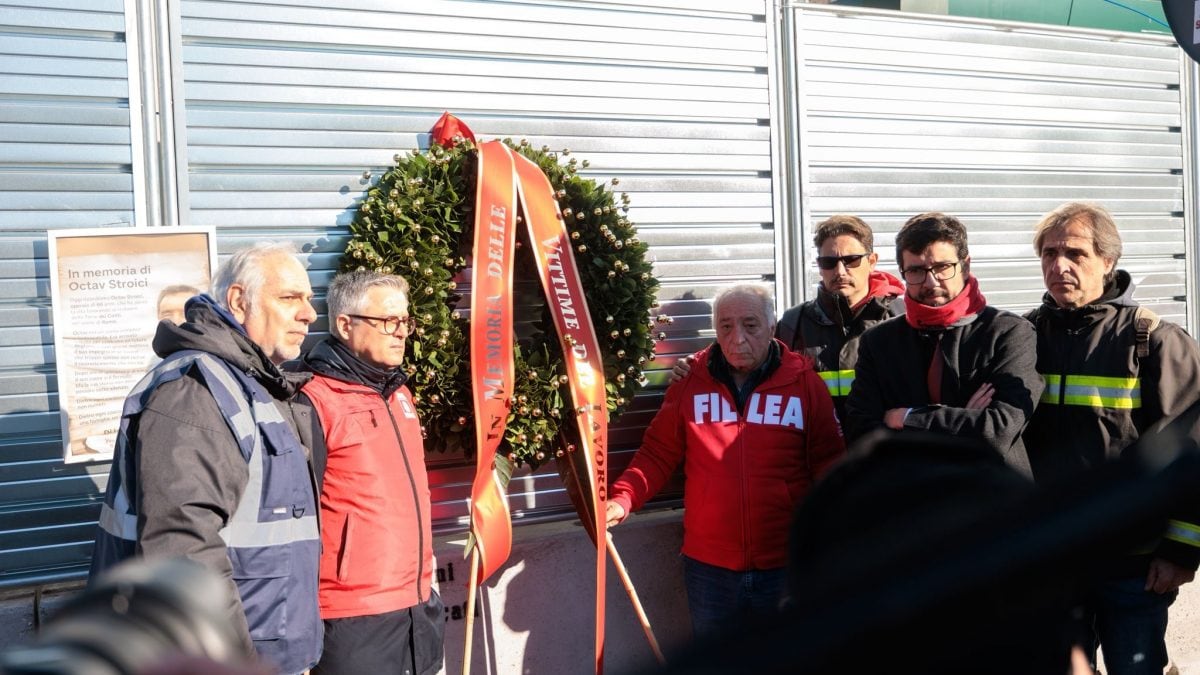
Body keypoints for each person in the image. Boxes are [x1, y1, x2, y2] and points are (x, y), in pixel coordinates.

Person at [91, 242, 323, 675]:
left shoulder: (255, 386)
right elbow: (182, 553)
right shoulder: (195, 391)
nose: (309, 313)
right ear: (239, 301)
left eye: (309, 299)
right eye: (290, 297)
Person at [605, 284, 845, 639]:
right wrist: (622, 499)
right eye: (726, 326)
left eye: (750, 325)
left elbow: (829, 463)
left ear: (772, 326)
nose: (737, 339)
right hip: (709, 569)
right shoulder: (690, 382)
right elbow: (657, 453)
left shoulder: (804, 384)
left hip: (785, 565)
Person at [1023, 202, 1200, 675]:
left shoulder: (1154, 340)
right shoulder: (1024, 337)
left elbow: (1192, 453)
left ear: (1107, 261)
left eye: (1075, 253)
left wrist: (1181, 551)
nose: (1059, 265)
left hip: (1134, 566)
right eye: (1048, 253)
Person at [299, 270, 444, 675]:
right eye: (388, 322)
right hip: (352, 615)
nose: (401, 333)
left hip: (417, 601)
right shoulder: (313, 399)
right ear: (345, 324)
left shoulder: (399, 394)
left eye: (405, 322)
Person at [843, 212, 1041, 473]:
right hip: (912, 503)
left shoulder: (1009, 332)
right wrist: (963, 421)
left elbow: (998, 429)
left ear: (965, 265)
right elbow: (861, 435)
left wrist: (904, 417)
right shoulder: (878, 342)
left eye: (942, 267)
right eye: (916, 271)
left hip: (993, 501)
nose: (931, 281)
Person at [670, 215, 903, 419]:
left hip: (883, 460)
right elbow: (747, 354)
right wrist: (695, 365)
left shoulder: (902, 319)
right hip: (817, 460)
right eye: (829, 262)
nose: (840, 271)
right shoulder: (794, 324)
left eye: (851, 260)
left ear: (872, 261)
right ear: (819, 266)